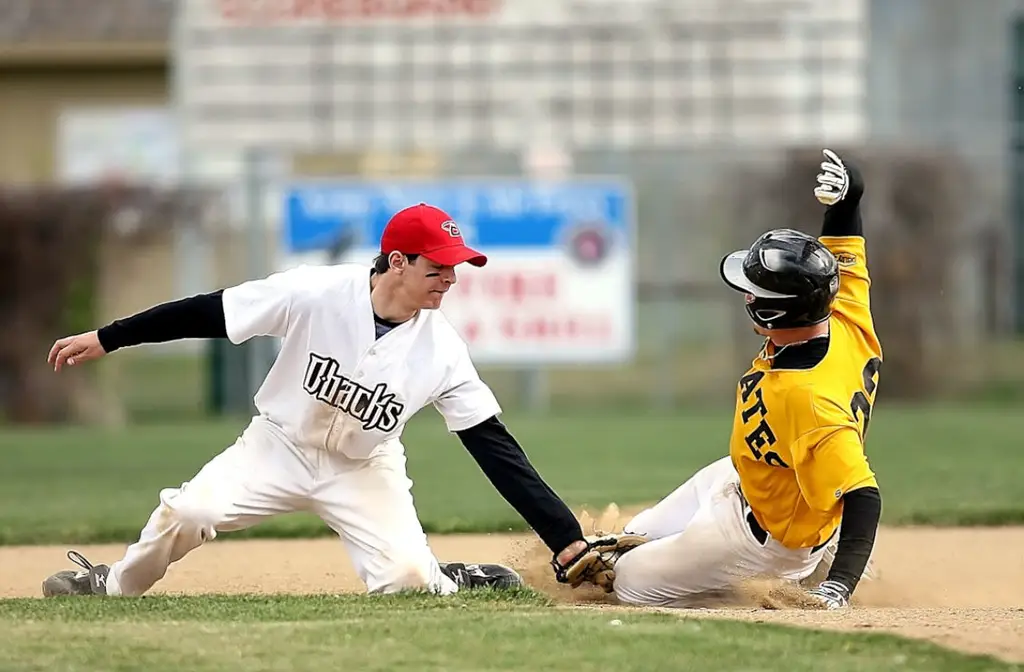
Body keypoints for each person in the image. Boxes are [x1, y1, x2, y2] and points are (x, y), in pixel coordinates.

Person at [42, 202, 609, 598]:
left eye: (455, 269)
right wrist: (110, 337)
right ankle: (111, 584)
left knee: (409, 582)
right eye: (438, 267)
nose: (450, 279)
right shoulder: (315, 292)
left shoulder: (442, 351)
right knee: (191, 512)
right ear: (397, 262)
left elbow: (494, 448)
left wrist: (563, 538)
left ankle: (448, 578)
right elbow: (211, 311)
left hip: (363, 468)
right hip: (277, 447)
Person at [565, 149, 883, 609]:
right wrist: (848, 199)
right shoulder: (843, 313)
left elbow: (863, 495)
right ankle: (807, 548)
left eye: (753, 291)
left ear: (771, 313)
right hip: (750, 474)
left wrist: (839, 586)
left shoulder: (809, 399)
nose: (746, 295)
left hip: (764, 539)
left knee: (625, 585)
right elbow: (843, 247)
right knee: (629, 539)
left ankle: (767, 580)